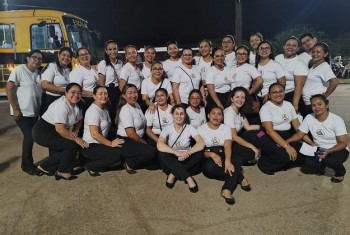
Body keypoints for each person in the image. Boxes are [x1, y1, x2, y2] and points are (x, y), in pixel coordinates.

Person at [286, 94, 349, 183]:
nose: (317, 107)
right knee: (308, 164)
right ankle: (321, 166)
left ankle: (340, 172)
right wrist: (286, 141)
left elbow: (343, 143)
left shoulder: (337, 120)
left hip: (337, 149)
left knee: (330, 160)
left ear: (326, 105)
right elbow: (299, 135)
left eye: (320, 104)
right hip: (319, 149)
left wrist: (329, 150)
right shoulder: (309, 117)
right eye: (313, 105)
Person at [32, 83, 88, 180]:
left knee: (66, 147)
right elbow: (60, 129)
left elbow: (79, 120)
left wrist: (75, 131)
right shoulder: (61, 105)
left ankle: (46, 168)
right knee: (72, 145)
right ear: (66, 93)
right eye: (73, 92)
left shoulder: (79, 104)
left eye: (79, 93)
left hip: (56, 130)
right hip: (43, 131)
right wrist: (76, 138)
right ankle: (62, 171)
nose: (76, 95)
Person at [257, 83, 312, 175]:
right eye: (274, 92)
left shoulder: (288, 105)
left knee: (305, 153)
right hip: (267, 136)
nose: (278, 94)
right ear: (269, 95)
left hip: (286, 135)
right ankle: (264, 162)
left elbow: (298, 127)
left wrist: (310, 143)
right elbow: (269, 131)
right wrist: (287, 146)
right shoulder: (266, 108)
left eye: (280, 91)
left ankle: (285, 160)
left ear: (284, 93)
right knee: (285, 157)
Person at [199, 107, 249, 205]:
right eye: (213, 113)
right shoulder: (200, 129)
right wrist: (211, 154)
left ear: (222, 117)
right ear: (208, 115)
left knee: (237, 158)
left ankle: (227, 189)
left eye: (219, 114)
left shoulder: (225, 128)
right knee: (209, 168)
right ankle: (240, 177)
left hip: (223, 152)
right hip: (208, 155)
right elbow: (199, 150)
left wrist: (227, 161)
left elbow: (227, 145)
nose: (216, 116)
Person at [6, 49, 43, 175]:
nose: (37, 60)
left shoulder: (38, 73)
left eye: (39, 58)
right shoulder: (19, 70)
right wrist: (15, 108)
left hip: (34, 112)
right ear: (27, 58)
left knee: (31, 137)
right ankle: (27, 165)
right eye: (34, 57)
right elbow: (9, 89)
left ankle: (27, 163)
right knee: (29, 137)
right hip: (21, 113)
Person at [157, 104, 205, 193]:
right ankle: (188, 178)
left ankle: (173, 174)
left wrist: (188, 153)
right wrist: (176, 153)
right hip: (173, 158)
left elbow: (201, 143)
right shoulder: (167, 128)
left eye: (181, 114)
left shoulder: (189, 128)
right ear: (172, 115)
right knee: (162, 152)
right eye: (176, 113)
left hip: (186, 157)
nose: (179, 116)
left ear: (185, 115)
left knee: (200, 152)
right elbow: (159, 144)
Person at [81, 86, 124, 176]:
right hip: (91, 145)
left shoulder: (105, 108)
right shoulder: (93, 111)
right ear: (94, 96)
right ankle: (90, 165)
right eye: (100, 94)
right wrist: (110, 144)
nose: (103, 96)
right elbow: (95, 134)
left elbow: (110, 127)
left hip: (100, 143)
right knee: (117, 156)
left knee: (122, 147)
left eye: (105, 94)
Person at [116, 84, 157, 173]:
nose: (133, 95)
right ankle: (129, 162)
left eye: (135, 92)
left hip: (138, 138)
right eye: (129, 93)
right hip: (127, 140)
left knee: (157, 151)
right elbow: (131, 134)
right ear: (124, 95)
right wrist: (144, 143)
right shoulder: (126, 109)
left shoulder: (137, 104)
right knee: (151, 152)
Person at [224, 87, 261, 165]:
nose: (240, 100)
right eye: (237, 97)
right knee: (251, 154)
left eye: (242, 97)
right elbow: (234, 136)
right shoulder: (229, 113)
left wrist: (263, 127)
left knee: (261, 134)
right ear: (232, 99)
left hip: (239, 136)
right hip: (230, 141)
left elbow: (248, 127)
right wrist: (252, 147)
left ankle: (258, 149)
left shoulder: (240, 110)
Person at [301, 42, 338, 117]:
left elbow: (334, 82)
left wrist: (324, 96)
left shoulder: (324, 67)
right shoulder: (314, 66)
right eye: (313, 52)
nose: (315, 54)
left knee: (318, 127)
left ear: (325, 54)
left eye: (318, 52)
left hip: (316, 105)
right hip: (308, 103)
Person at [275, 36, 308, 114]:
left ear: (298, 48)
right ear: (284, 46)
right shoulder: (277, 58)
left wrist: (295, 104)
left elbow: (299, 85)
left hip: (291, 94)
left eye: (294, 45)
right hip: (276, 94)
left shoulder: (300, 63)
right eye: (288, 45)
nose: (290, 47)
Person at [234, 45, 264, 124]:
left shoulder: (249, 67)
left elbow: (260, 80)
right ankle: (244, 136)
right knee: (239, 122)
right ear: (235, 55)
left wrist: (249, 93)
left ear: (247, 56)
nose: (241, 56)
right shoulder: (231, 68)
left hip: (246, 99)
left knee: (254, 121)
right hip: (234, 99)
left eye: (244, 54)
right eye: (239, 54)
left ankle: (261, 136)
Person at [40, 46, 73, 114]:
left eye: (69, 56)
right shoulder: (52, 66)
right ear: (58, 55)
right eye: (64, 55)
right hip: (51, 101)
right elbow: (45, 85)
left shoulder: (69, 70)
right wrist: (66, 91)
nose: (66, 58)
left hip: (65, 101)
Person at [97, 40, 123, 123]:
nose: (113, 51)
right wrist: (104, 96)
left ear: (117, 49)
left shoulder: (120, 63)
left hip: (118, 90)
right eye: (110, 49)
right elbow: (101, 83)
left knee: (118, 113)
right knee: (110, 113)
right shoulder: (103, 63)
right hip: (109, 90)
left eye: (114, 49)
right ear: (106, 51)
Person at [69, 47, 98, 113]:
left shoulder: (93, 69)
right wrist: (95, 95)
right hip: (85, 102)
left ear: (90, 55)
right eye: (81, 55)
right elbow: (76, 91)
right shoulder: (76, 72)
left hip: (95, 100)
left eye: (86, 54)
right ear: (78, 58)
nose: (84, 56)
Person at [205, 47, 234, 113]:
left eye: (222, 56)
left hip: (228, 97)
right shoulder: (211, 70)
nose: (220, 58)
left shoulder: (227, 69)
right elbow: (210, 89)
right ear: (213, 58)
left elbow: (232, 83)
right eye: (217, 56)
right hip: (216, 98)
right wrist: (219, 104)